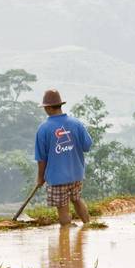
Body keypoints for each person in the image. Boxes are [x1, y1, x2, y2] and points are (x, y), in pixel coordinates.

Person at [34, 89, 94, 227]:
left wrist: (40, 178)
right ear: (60, 105)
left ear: (48, 107)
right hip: (76, 174)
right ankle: (88, 226)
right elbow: (87, 146)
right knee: (77, 200)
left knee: (62, 207)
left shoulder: (43, 129)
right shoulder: (76, 123)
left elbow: (41, 159)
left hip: (57, 178)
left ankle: (65, 241)